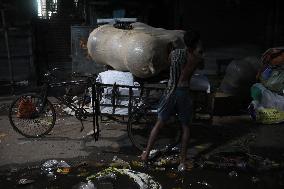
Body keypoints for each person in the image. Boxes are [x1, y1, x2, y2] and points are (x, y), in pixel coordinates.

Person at [140, 30, 204, 171]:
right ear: (196, 43)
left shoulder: (175, 54)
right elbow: (201, 66)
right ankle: (182, 160)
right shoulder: (197, 58)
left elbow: (168, 64)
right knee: (186, 127)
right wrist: (198, 51)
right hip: (184, 93)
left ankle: (146, 154)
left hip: (171, 92)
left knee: (159, 124)